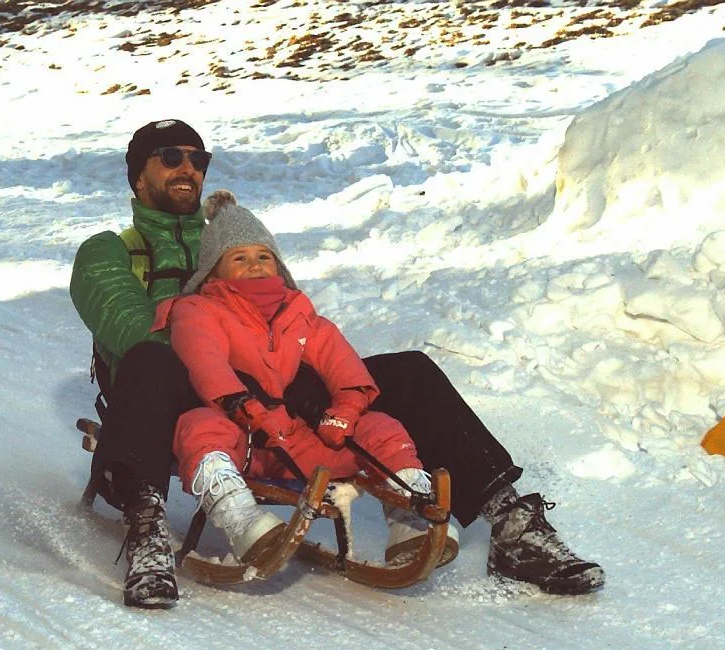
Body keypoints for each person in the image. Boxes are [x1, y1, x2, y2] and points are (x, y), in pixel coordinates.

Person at [69, 118, 603, 608]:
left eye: (198, 159)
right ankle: (146, 531)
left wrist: (312, 378)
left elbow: (297, 323)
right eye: (169, 157)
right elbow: (126, 329)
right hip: (172, 397)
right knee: (148, 357)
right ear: (137, 176)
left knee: (408, 371)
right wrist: (231, 354)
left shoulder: (240, 236)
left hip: (279, 395)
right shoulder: (111, 251)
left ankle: (510, 521)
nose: (188, 168)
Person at [159, 190, 453, 569]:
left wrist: (344, 413)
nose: (255, 266)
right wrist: (242, 405)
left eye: (264, 256)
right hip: (244, 441)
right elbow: (205, 362)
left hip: (301, 443)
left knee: (381, 426)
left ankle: (410, 518)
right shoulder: (198, 311)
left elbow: (344, 368)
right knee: (198, 426)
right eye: (240, 258)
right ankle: (240, 518)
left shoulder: (299, 313)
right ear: (213, 270)